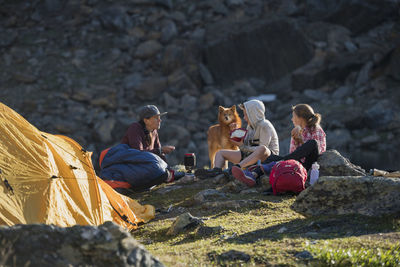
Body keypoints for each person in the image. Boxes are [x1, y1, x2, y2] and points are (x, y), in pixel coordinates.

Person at [232, 103, 326, 187]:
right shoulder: (297, 131)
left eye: (293, 116)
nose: (292, 119)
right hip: (295, 162)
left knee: (313, 143)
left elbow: (318, 150)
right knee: (269, 158)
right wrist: (297, 140)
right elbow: (293, 154)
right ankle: (253, 175)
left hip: (309, 165)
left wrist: (301, 141)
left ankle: (258, 171)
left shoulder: (316, 129)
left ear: (300, 118)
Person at [196, 99, 279, 178]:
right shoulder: (250, 126)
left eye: (246, 114)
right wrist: (235, 133)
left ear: (253, 114)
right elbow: (245, 146)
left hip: (267, 158)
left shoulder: (265, 125)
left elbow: (261, 149)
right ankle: (216, 171)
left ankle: (235, 168)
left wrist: (242, 146)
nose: (244, 118)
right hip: (250, 156)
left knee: (262, 149)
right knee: (220, 153)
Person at [121, 104, 185, 182]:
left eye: (159, 118)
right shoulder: (135, 128)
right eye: (156, 118)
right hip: (131, 168)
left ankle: (168, 175)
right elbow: (137, 155)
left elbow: (159, 153)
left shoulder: (154, 131)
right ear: (146, 120)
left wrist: (168, 168)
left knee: (164, 174)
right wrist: (160, 150)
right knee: (161, 175)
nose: (160, 120)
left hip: (145, 166)